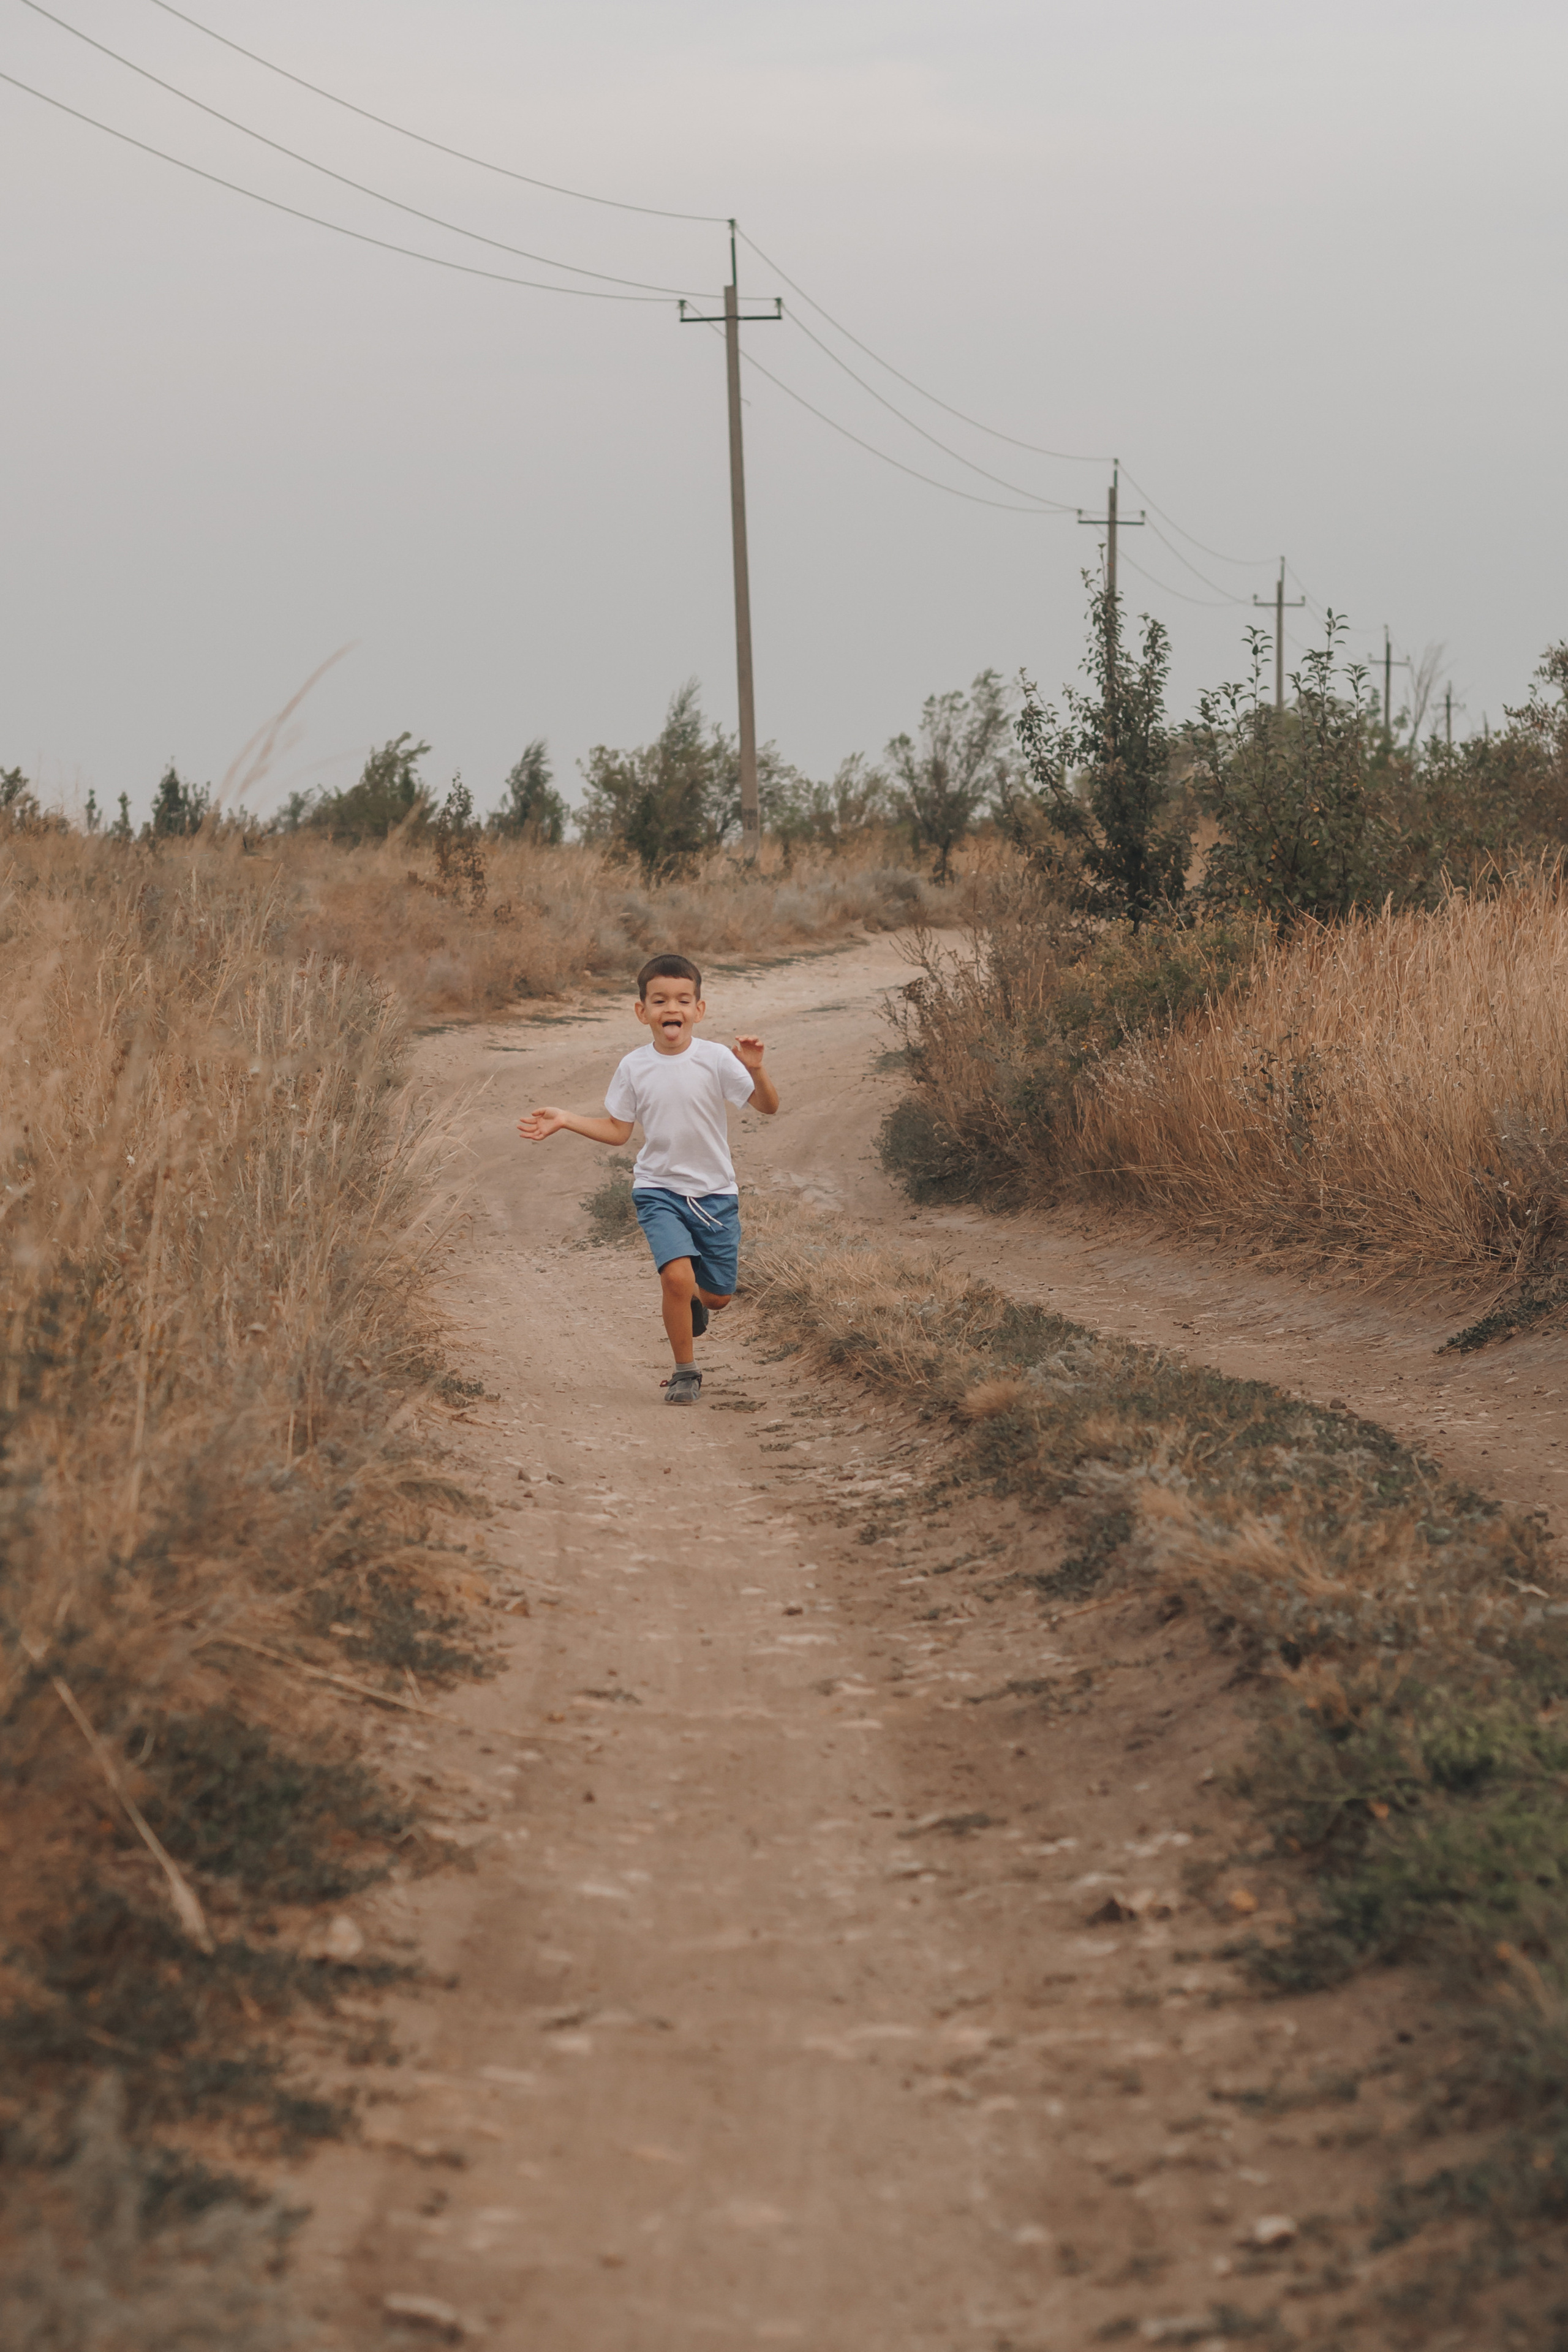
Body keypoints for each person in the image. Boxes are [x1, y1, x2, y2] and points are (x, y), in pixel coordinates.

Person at [517, 953, 778, 1404]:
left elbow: (768, 1107)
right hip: (658, 1190)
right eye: (659, 1001)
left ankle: (697, 1301)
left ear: (699, 1009)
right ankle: (685, 1371)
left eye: (682, 1000)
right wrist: (566, 1118)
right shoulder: (634, 1067)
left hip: (716, 1194)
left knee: (716, 1298)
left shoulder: (717, 1059)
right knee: (676, 1279)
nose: (670, 1009)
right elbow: (619, 1132)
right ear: (643, 1012)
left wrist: (755, 1068)